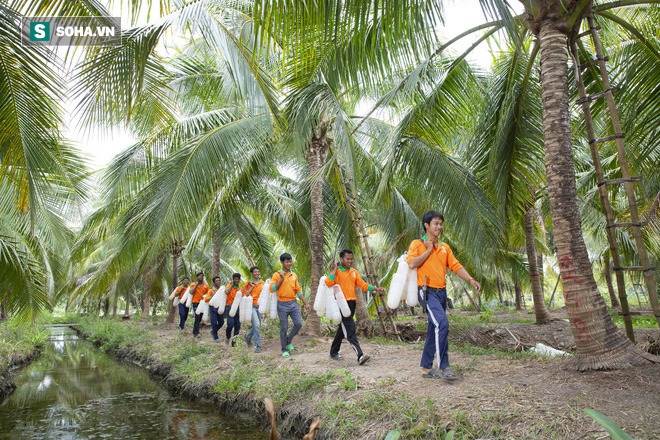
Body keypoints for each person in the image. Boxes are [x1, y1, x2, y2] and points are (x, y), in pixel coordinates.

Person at [407, 211, 481, 380]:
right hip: (427, 292)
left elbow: (455, 266)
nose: (439, 227)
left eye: (441, 223)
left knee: (434, 328)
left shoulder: (444, 248)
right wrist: (427, 250)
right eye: (435, 223)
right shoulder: (417, 244)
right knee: (442, 323)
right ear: (426, 225)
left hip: (442, 293)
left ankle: (426, 368)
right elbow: (412, 264)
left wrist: (470, 279)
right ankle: (444, 366)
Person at [325, 249, 385, 365]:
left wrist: (376, 289)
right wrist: (335, 269)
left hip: (351, 303)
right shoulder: (337, 272)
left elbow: (363, 285)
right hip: (340, 304)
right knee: (350, 329)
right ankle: (360, 355)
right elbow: (328, 283)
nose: (350, 261)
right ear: (341, 259)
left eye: (351, 259)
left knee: (342, 330)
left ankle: (333, 352)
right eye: (347, 259)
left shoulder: (353, 272)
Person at [270, 253, 310, 357]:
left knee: (298, 323)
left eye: (290, 261)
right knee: (284, 327)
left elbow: (298, 290)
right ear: (282, 262)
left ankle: (288, 340)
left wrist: (305, 303)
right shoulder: (277, 275)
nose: (289, 263)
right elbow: (272, 289)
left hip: (293, 303)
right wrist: (281, 279)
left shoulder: (294, 275)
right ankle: (284, 350)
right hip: (282, 304)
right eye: (287, 262)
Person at [242, 266, 264, 353]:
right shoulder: (247, 283)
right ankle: (257, 346)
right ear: (251, 273)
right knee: (257, 325)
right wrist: (251, 287)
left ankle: (247, 337)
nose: (257, 273)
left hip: (260, 307)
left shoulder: (262, 283)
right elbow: (245, 295)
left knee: (257, 326)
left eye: (258, 272)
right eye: (255, 272)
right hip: (251, 306)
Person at [188, 272, 211, 338]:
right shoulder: (193, 284)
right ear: (197, 277)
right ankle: (196, 333)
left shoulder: (206, 286)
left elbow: (208, 293)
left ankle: (195, 331)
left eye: (202, 276)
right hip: (195, 303)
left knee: (199, 318)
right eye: (199, 276)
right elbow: (191, 292)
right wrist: (196, 285)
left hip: (203, 304)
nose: (201, 277)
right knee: (197, 318)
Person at [204, 276, 225, 342]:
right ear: (214, 282)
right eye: (216, 281)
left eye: (219, 280)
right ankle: (215, 337)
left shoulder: (222, 290)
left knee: (221, 322)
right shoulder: (211, 290)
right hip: (213, 308)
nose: (218, 282)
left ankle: (213, 331)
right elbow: (206, 299)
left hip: (220, 307)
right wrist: (212, 296)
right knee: (214, 322)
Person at [224, 273, 243, 346]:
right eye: (235, 279)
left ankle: (234, 342)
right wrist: (232, 285)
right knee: (230, 324)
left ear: (239, 279)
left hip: (238, 308)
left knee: (237, 325)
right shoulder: (229, 285)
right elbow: (226, 292)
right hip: (230, 307)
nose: (236, 280)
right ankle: (228, 337)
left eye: (238, 279)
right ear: (233, 279)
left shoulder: (240, 287)